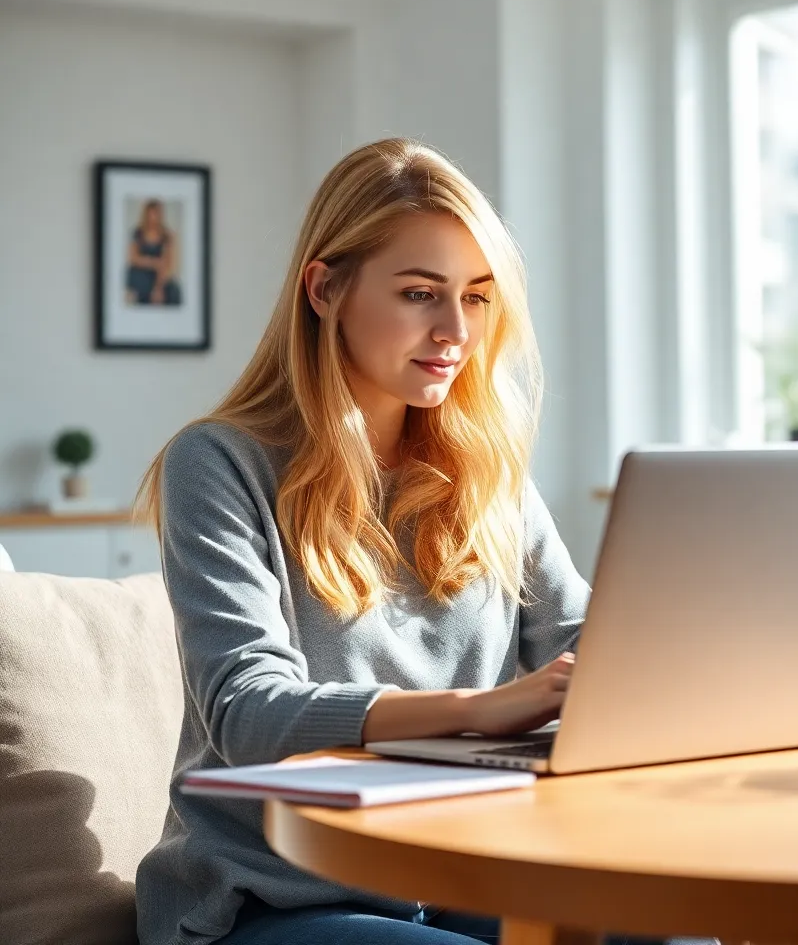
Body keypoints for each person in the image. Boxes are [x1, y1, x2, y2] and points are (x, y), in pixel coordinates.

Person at [133, 139, 684, 945]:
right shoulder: (219, 463)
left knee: (673, 926)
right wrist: (477, 711)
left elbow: (583, 642)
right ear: (325, 289)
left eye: (478, 297)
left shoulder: (487, 474)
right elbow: (248, 712)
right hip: (275, 897)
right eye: (422, 293)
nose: (455, 329)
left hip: (462, 867)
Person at [126, 199, 181, 305]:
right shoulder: (138, 233)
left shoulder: (166, 235)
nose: (153, 218)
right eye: (150, 214)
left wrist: (158, 288)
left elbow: (166, 263)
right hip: (140, 274)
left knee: (174, 291)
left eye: (156, 214)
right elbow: (134, 258)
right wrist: (154, 262)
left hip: (159, 276)